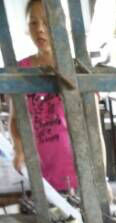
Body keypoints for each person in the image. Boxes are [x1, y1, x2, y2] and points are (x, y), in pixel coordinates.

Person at [10, 0, 79, 192]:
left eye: (46, 22)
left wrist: (101, 178)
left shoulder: (76, 69)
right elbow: (15, 119)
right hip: (40, 167)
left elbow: (94, 129)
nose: (39, 29)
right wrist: (18, 149)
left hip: (75, 166)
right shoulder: (22, 69)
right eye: (33, 22)